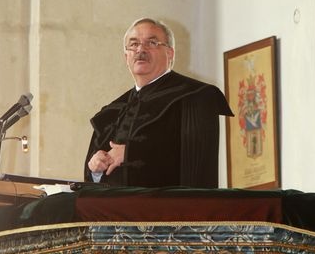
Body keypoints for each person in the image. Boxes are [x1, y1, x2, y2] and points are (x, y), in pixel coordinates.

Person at [85, 18, 233, 188]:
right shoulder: (113, 111)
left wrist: (131, 154)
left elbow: (197, 167)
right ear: (126, 57)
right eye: (134, 44)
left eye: (152, 43)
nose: (141, 49)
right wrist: (96, 169)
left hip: (166, 204)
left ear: (170, 53)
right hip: (112, 205)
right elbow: (90, 180)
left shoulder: (194, 96)